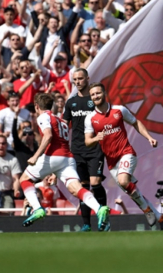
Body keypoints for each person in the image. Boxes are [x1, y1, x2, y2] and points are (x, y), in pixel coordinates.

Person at [84, 83, 163, 230]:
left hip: (126, 153)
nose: (95, 96)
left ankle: (147, 211)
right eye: (93, 95)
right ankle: (160, 218)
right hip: (111, 162)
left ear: (104, 93)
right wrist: (96, 138)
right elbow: (87, 141)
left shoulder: (119, 110)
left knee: (124, 181)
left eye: (98, 93)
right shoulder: (90, 118)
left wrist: (149, 137)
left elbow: (135, 122)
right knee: (133, 192)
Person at [19, 93, 109, 229]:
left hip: (53, 155)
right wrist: (55, 171)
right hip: (67, 158)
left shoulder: (44, 116)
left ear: (37, 107)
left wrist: (36, 156)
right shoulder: (60, 120)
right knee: (76, 189)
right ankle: (99, 209)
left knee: (25, 179)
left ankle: (37, 208)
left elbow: (48, 135)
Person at [63, 69, 107, 231]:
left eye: (81, 78)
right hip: (77, 150)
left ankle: (104, 219)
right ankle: (86, 224)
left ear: (87, 79)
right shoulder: (71, 102)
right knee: (83, 187)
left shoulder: (95, 99)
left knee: (95, 184)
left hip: (95, 148)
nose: (78, 82)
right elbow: (64, 126)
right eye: (75, 79)